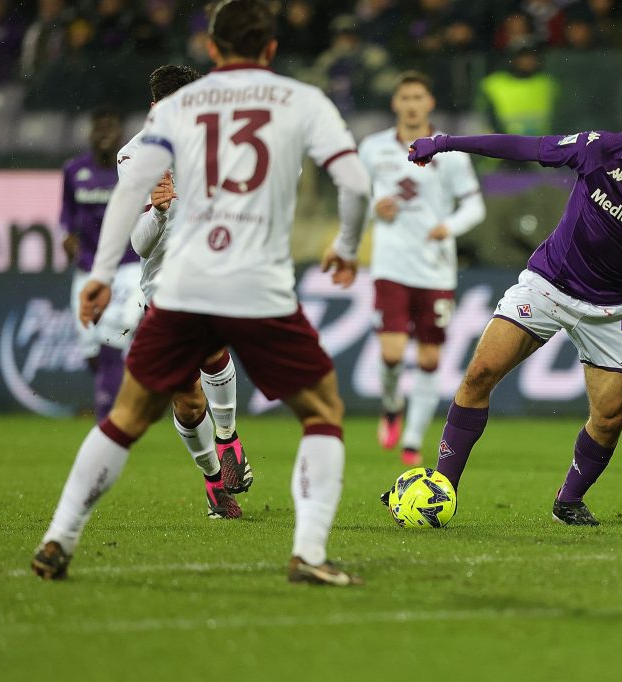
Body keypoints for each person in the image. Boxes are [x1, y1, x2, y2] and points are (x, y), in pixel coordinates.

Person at [32, 0, 371, 586]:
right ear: (270, 49)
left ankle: (59, 539)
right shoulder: (300, 102)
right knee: (322, 413)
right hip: (256, 282)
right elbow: (355, 181)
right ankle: (309, 554)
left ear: (211, 51)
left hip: (186, 285)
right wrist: (345, 243)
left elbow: (124, 199)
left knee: (126, 416)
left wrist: (97, 272)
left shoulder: (177, 116)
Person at [397, 95, 622, 526]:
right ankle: (440, 489)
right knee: (479, 374)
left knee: (610, 417)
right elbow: (525, 148)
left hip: (610, 309)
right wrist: (446, 143)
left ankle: (568, 501)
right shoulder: (600, 149)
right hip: (548, 284)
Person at [117, 63, 252, 520]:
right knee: (187, 400)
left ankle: (229, 438)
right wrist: (157, 212)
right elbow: (137, 245)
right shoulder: (133, 158)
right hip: (161, 286)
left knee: (214, 351)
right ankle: (215, 483)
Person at [341, 70, 485, 467]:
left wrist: (448, 227)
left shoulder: (449, 152)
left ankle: (413, 438)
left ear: (429, 103)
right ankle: (391, 405)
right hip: (390, 263)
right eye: (404, 97)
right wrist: (374, 207)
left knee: (428, 360)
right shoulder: (373, 148)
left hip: (436, 267)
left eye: (418, 97)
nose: (411, 104)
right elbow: (356, 196)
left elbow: (475, 206)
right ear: (395, 104)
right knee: (390, 354)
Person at [61, 105, 144, 422]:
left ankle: (110, 411)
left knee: (114, 328)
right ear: (91, 133)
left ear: (121, 133)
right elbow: (66, 218)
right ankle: (113, 389)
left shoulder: (132, 169)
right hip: (88, 267)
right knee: (91, 346)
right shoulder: (74, 170)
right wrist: (67, 239)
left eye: (110, 128)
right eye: (99, 128)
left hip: (127, 265)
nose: (104, 134)